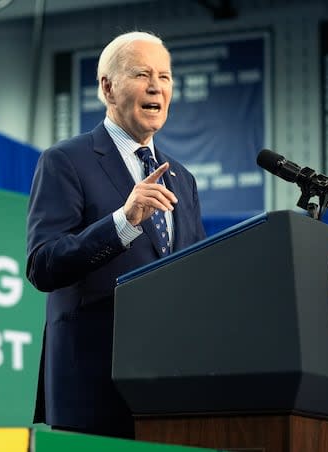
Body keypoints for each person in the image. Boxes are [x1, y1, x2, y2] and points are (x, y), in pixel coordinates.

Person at [26, 31, 206, 439]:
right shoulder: (65, 161)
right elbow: (43, 265)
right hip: (93, 390)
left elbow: (196, 273)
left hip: (171, 392)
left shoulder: (183, 179)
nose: (157, 86)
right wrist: (122, 222)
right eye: (142, 74)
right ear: (107, 86)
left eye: (165, 76)